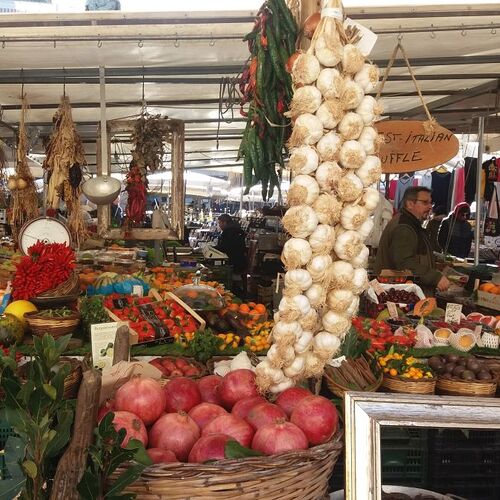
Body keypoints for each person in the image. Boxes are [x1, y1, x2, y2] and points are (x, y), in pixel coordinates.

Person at [374, 186, 450, 294]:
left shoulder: (411, 224)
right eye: (425, 202)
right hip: (397, 295)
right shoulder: (403, 227)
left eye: (430, 203)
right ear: (410, 204)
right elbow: (405, 262)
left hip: (403, 292)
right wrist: (435, 277)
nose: (430, 207)